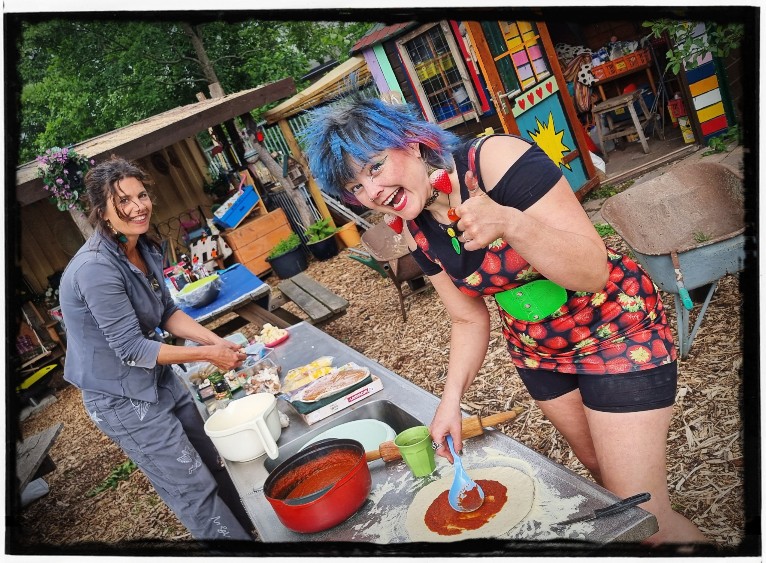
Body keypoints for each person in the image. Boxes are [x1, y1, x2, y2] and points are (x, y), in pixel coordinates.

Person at [302, 97, 707, 545]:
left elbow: (593, 272)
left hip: (614, 330)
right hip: (538, 354)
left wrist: (511, 223)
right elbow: (466, 319)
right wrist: (450, 402)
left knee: (644, 514)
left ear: (413, 144)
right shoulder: (414, 228)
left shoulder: (495, 161)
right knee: (607, 488)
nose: (373, 192)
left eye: (375, 167)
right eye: (356, 187)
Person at [58, 156, 253, 541]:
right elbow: (132, 348)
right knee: (193, 488)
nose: (138, 206)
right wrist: (208, 355)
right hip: (122, 398)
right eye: (123, 201)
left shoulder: (143, 247)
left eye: (141, 195)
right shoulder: (95, 269)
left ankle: (252, 533)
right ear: (102, 212)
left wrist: (215, 341)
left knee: (214, 460)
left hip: (158, 377)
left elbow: (165, 312)